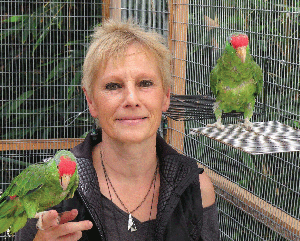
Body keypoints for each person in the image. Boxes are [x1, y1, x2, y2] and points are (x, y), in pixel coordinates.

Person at [15, 19, 220, 241]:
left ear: (166, 97)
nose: (132, 99)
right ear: (91, 101)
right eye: (113, 86)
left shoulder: (196, 188)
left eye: (145, 83)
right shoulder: (51, 187)